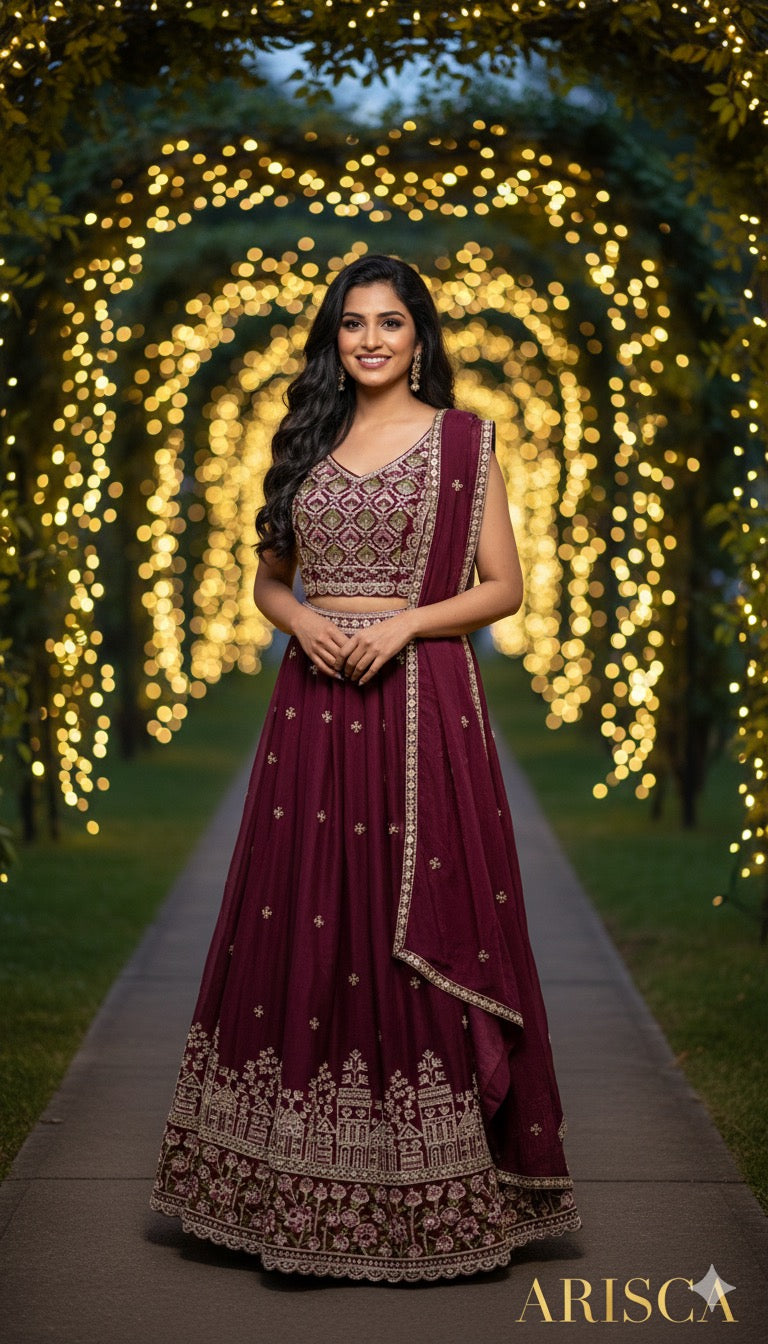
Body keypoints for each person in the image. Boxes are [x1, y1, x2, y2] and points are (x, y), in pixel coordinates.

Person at [149, 253, 582, 1282]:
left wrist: (403, 627)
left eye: (391, 322)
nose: (372, 340)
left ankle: (434, 1184)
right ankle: (287, 1184)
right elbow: (270, 580)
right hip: (313, 707)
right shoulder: (305, 436)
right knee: (308, 909)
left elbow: (505, 588)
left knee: (414, 917)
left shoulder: (467, 442)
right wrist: (301, 620)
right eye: (353, 323)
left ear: (419, 335)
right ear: (333, 337)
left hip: (422, 703)